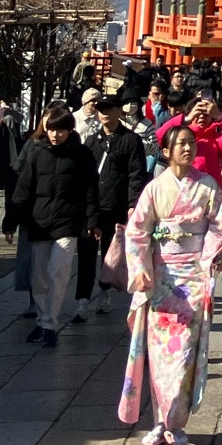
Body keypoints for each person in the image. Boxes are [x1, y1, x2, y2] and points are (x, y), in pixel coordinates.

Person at [120, 123, 222, 445]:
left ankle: (176, 423)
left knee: (183, 354)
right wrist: (140, 269)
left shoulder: (208, 186)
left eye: (191, 143)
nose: (188, 148)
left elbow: (219, 226)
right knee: (158, 355)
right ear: (166, 152)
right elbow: (138, 231)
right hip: (161, 277)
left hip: (193, 278)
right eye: (180, 144)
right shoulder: (155, 189)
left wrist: (213, 255)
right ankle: (158, 422)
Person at [3, 102, 100, 347]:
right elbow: (23, 188)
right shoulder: (37, 153)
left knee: (58, 271)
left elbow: (90, 189)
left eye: (60, 130)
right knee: (38, 276)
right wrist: (11, 219)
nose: (55, 135)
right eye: (51, 129)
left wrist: (92, 220)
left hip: (68, 222)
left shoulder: (81, 155)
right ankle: (42, 319)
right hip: (40, 221)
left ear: (69, 130)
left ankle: (49, 324)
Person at [75, 94, 148, 320]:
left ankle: (105, 292)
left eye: (109, 108)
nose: (105, 113)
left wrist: (132, 204)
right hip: (92, 205)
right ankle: (82, 299)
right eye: (101, 109)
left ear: (119, 111)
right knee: (86, 254)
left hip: (116, 205)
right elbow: (84, 174)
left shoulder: (130, 140)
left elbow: (137, 174)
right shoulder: (91, 141)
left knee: (111, 253)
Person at [154, 94, 222, 191]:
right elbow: (160, 136)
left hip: (209, 194)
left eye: (206, 114)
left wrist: (219, 116)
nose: (201, 117)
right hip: (181, 192)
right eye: (198, 113)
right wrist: (186, 119)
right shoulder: (179, 137)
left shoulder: (216, 139)